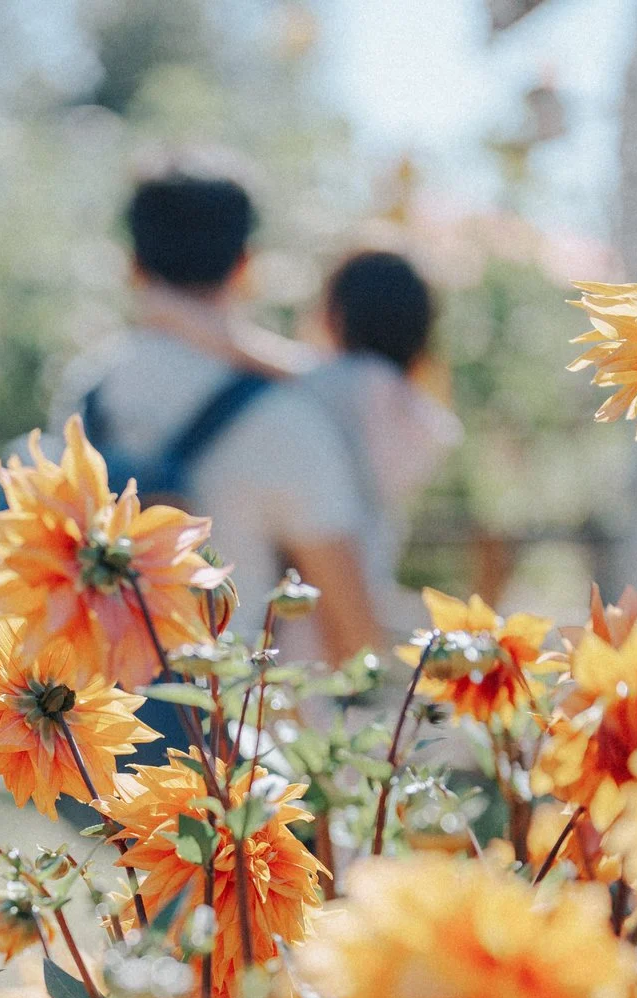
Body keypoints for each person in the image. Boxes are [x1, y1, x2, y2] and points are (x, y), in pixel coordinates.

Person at [47, 161, 386, 659]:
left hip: (92, 723)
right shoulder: (286, 418)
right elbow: (355, 639)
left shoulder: (86, 390)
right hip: (229, 725)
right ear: (246, 266)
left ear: (133, 265)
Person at [291, 250, 462, 646]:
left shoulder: (312, 387)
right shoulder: (427, 424)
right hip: (363, 594)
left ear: (336, 314)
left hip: (286, 607)